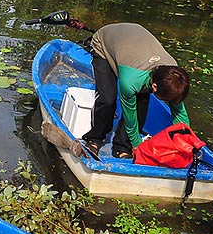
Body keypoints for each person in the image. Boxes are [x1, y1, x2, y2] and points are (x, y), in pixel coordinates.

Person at [78, 22, 190, 159]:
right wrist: (137, 145)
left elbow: (180, 113)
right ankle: (94, 138)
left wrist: (186, 141)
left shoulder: (173, 75)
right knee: (108, 98)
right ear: (154, 86)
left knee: (142, 99)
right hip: (104, 44)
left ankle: (121, 147)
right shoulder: (130, 81)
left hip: (134, 47)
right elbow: (130, 117)